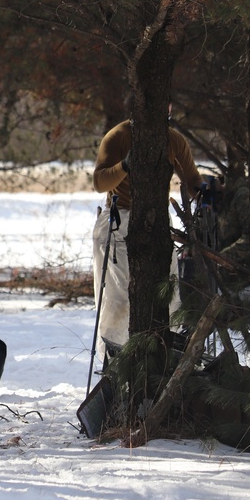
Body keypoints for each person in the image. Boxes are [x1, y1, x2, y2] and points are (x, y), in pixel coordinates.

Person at [91, 117, 205, 358]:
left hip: (159, 224)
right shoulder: (118, 136)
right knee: (119, 301)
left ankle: (161, 360)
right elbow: (100, 182)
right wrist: (124, 166)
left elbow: (193, 181)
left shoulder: (173, 139)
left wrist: (208, 191)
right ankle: (116, 366)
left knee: (167, 297)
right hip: (119, 223)